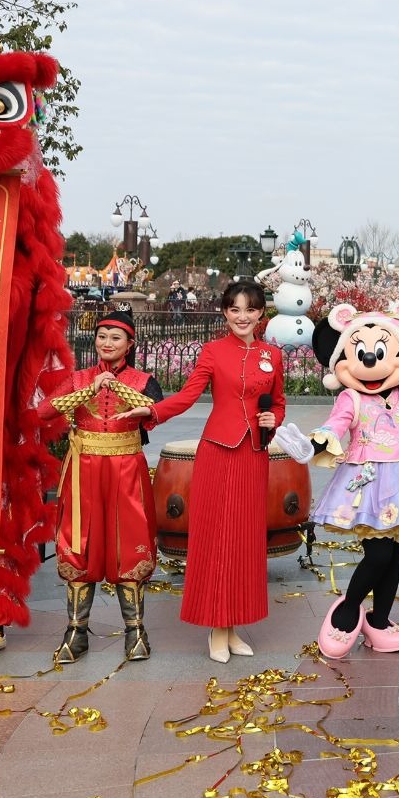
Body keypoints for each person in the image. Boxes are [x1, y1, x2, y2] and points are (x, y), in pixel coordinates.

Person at [276, 302, 399, 660]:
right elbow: (335, 425)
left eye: (381, 351)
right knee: (378, 554)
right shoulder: (351, 397)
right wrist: (313, 445)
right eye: (359, 352)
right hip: (369, 481)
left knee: (394, 555)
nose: (369, 361)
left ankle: (379, 620)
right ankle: (349, 608)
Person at [142, 280, 286, 663]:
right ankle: (216, 629)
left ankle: (232, 627)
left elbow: (279, 402)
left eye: (250, 309)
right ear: (225, 312)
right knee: (218, 539)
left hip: (254, 455)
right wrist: (152, 411)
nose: (243, 316)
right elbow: (189, 395)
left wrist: (274, 419)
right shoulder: (213, 351)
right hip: (218, 453)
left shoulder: (272, 355)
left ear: (261, 313)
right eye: (235, 309)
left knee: (245, 542)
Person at [42, 311, 161, 663]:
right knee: (80, 542)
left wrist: (115, 386)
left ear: (130, 344)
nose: (107, 343)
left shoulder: (145, 380)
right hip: (84, 470)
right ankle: (76, 632)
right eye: (102, 336)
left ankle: (135, 632)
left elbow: (155, 410)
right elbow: (43, 412)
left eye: (115, 337)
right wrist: (86, 390)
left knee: (131, 543)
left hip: (127, 469)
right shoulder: (78, 378)